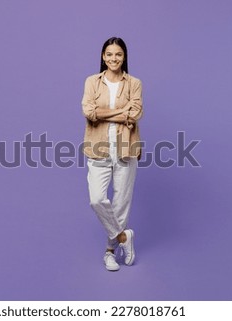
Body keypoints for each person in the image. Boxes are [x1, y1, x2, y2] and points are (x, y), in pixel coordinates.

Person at [81, 37, 143, 271]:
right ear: (103, 57)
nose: (113, 59)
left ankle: (109, 251)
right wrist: (120, 112)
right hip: (98, 147)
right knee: (97, 199)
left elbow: (134, 114)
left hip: (126, 148)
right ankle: (123, 237)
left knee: (121, 203)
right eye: (109, 54)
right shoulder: (92, 82)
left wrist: (103, 113)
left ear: (124, 56)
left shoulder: (134, 83)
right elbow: (88, 112)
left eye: (118, 54)